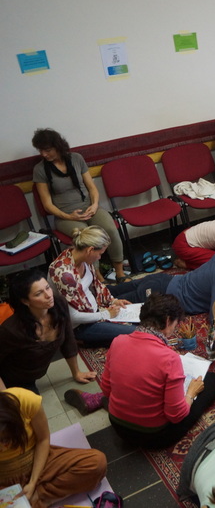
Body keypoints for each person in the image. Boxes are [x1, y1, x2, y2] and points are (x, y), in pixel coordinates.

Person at [100, 293, 215, 449]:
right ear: (168, 321)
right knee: (211, 381)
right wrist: (190, 393)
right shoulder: (169, 358)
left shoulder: (118, 341)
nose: (175, 329)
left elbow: (106, 389)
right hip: (153, 436)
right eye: (176, 324)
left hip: (117, 424)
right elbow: (176, 415)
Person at [32, 128, 127, 282]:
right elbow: (47, 205)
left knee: (109, 229)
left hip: (89, 207)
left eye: (47, 150)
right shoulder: (40, 169)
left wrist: (94, 205)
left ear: (58, 146)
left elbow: (91, 187)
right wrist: (69, 216)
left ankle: (120, 272)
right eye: (41, 151)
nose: (44, 154)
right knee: (86, 236)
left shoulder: (76, 158)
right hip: (65, 215)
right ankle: (98, 278)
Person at [0, 388, 107, 508]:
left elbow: (43, 439)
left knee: (96, 463)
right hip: (3, 476)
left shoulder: (25, 400)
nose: (2, 449)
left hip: (38, 461)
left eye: (4, 440)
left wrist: (33, 483)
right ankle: (34, 501)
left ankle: (39, 498)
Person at [48, 226, 149, 347]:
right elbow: (74, 317)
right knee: (138, 334)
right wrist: (106, 314)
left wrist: (113, 300)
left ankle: (100, 338)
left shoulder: (81, 258)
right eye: (100, 254)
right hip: (80, 325)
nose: (100, 258)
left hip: (96, 310)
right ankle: (86, 340)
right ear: (90, 250)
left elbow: (97, 286)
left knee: (143, 320)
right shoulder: (64, 275)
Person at [0, 270, 95, 394]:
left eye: (47, 288)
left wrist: (76, 372)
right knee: (32, 404)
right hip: (12, 379)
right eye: (39, 293)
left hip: (33, 374)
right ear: (25, 301)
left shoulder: (59, 304)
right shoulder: (11, 330)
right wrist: (5, 397)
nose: (49, 295)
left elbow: (68, 340)